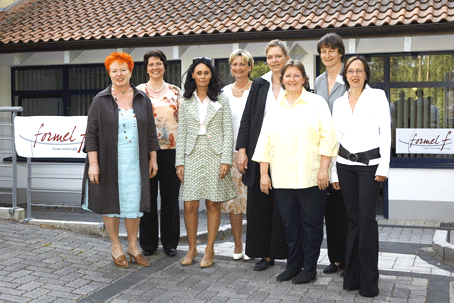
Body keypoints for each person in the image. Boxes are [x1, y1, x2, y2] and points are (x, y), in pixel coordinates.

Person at [253, 60, 338, 284]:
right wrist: (264, 174)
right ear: (282, 80)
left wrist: (323, 169)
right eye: (287, 76)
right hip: (282, 178)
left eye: (296, 75)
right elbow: (265, 142)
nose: (292, 79)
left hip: (312, 177)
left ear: (304, 79)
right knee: (290, 225)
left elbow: (328, 137)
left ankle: (309, 269)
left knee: (311, 225)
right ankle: (294, 265)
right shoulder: (275, 108)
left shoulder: (317, 103)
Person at [81, 52, 160, 268]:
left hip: (135, 160)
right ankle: (116, 246)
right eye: (114, 70)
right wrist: (94, 164)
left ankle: (133, 247)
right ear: (109, 73)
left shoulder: (142, 99)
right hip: (107, 161)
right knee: (111, 204)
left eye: (123, 69)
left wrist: (153, 158)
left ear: (130, 71)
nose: (119, 74)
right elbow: (91, 134)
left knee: (134, 203)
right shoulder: (100, 100)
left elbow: (151, 132)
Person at [331, 56, 391, 297]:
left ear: (366, 74)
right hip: (345, 165)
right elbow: (335, 139)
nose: (354, 75)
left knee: (367, 221)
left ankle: (369, 281)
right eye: (350, 71)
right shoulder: (338, 102)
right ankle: (352, 276)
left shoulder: (377, 96)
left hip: (369, 166)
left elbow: (385, 132)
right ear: (345, 75)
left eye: (359, 71)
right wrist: (334, 171)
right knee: (352, 220)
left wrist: (383, 168)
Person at [176, 57, 236, 268]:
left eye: (206, 73)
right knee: (190, 204)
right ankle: (192, 249)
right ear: (192, 75)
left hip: (215, 154)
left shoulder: (222, 99)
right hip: (191, 155)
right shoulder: (185, 101)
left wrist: (225, 160)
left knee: (213, 202)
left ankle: (209, 250)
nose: (202, 76)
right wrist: (179, 163)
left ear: (212, 75)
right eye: (198, 73)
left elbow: (228, 131)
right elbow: (181, 132)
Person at [236, 39, 289, 271]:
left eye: (278, 56)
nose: (274, 61)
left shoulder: (294, 81)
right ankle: (265, 255)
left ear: (286, 58)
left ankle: (283, 252)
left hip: (287, 153)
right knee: (260, 207)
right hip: (259, 155)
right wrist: (242, 151)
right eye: (270, 57)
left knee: (283, 205)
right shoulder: (259, 84)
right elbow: (247, 118)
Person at [136, 50, 181, 258]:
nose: (155, 67)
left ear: (164, 66)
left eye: (159, 63)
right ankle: (148, 243)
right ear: (146, 68)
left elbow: (183, 123)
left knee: (170, 198)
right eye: (151, 64)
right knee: (148, 198)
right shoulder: (137, 92)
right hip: (146, 153)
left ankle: (170, 242)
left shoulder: (175, 92)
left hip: (171, 152)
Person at [313, 33, 348, 275]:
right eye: (323, 51)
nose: (327, 55)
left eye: (331, 50)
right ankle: (335, 258)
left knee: (348, 209)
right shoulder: (317, 81)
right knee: (331, 210)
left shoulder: (351, 78)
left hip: (346, 151)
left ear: (340, 53)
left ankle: (349, 258)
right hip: (324, 152)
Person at [220, 49, 253, 260]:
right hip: (230, 153)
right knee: (235, 203)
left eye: (243, 64)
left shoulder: (258, 89)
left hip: (253, 154)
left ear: (250, 67)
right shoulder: (224, 92)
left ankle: (254, 245)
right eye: (235, 64)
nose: (238, 68)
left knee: (253, 202)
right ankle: (238, 245)